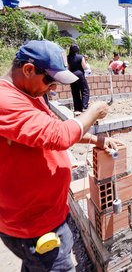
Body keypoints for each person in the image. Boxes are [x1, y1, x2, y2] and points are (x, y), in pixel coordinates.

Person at [0, 40, 122, 271]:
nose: (53, 88)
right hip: (33, 226)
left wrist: (96, 140)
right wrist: (93, 112)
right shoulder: (5, 101)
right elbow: (60, 136)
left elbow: (53, 127)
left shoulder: (28, 95)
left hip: (44, 216)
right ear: (28, 70)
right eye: (49, 80)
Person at [67, 44, 90, 112]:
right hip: (79, 75)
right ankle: (84, 106)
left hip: (72, 75)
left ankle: (77, 108)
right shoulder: (80, 57)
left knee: (75, 92)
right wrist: (86, 62)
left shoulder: (67, 57)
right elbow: (84, 67)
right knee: (85, 90)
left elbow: (68, 68)